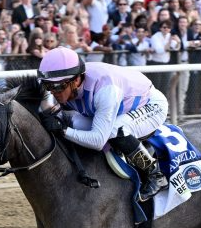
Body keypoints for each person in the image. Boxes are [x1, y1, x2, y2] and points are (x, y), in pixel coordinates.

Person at [37, 46, 168, 201]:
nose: (53, 91)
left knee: (114, 130)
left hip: (150, 105)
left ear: (76, 80)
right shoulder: (71, 82)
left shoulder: (105, 90)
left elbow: (98, 140)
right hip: (118, 106)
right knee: (74, 122)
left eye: (58, 86)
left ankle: (155, 174)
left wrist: (64, 130)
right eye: (48, 85)